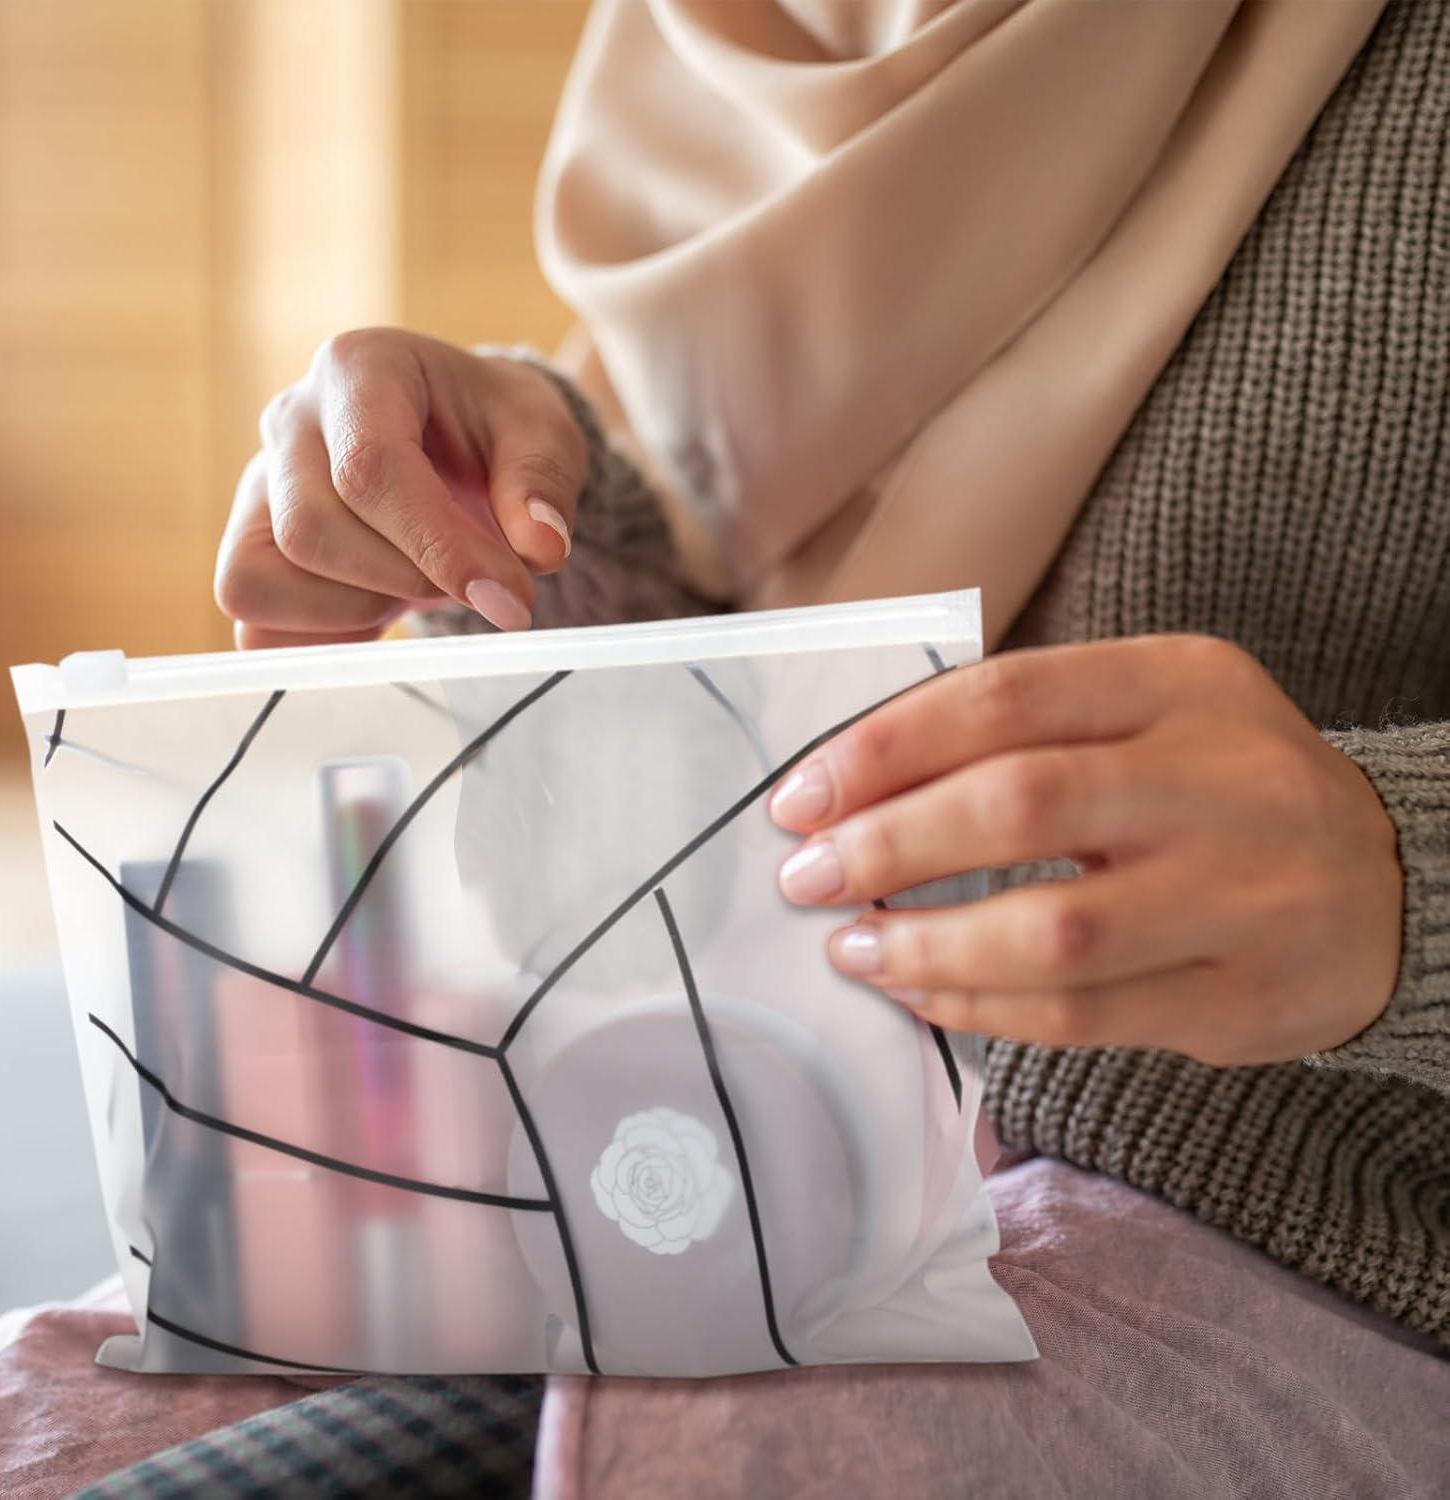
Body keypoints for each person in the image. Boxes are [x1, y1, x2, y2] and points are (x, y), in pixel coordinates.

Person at [209, 0, 1449, 1492]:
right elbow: (730, 599)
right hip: (715, 1118)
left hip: (1303, 1225)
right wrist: (528, 508)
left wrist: (1404, 881)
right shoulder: (697, 41)